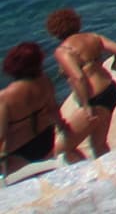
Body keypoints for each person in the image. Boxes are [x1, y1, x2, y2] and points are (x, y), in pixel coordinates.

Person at [45, 8, 116, 158]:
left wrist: (86, 106)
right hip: (110, 90)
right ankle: (109, 169)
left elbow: (79, 77)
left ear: (54, 31)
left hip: (95, 100)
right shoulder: (93, 37)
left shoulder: (63, 50)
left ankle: (85, 169)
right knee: (99, 144)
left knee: (62, 151)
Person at [4, 42, 68, 175]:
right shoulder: (45, 81)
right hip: (45, 139)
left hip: (18, 151)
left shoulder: (5, 97)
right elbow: (53, 110)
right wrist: (63, 128)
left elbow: (1, 136)